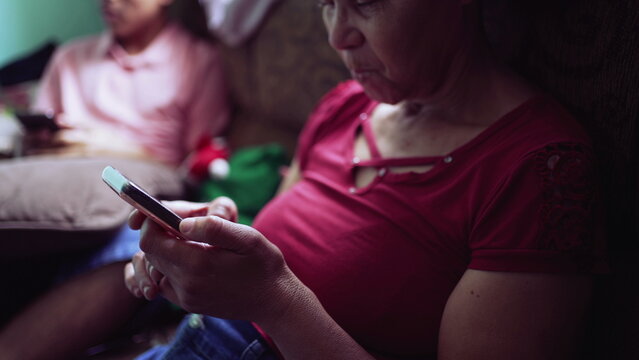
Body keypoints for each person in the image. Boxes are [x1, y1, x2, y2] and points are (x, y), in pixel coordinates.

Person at [121, 0, 606, 359]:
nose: (337, 36)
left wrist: (276, 304)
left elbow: (275, 288)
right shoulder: (343, 106)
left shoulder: (538, 170)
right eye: (328, 4)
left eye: (365, 3)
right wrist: (214, 243)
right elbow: (275, 250)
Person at [0, 0, 227, 359]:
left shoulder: (197, 60)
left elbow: (198, 164)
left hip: (135, 194)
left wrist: (111, 146)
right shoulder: (70, 57)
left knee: (140, 245)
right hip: (56, 191)